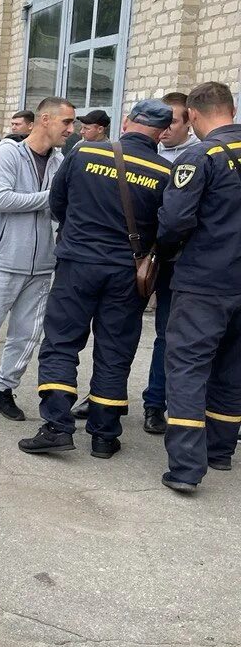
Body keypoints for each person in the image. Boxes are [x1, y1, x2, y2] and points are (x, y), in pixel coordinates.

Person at [20, 100, 172, 458]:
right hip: (126, 272)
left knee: (61, 342)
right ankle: (104, 435)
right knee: (115, 350)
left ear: (126, 122)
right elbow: (168, 226)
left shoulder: (84, 154)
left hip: (77, 263)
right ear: (163, 133)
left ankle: (57, 426)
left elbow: (58, 204)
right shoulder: (166, 172)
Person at [0, 97, 75, 425]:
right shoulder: (7, 152)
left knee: (26, 335)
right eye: (67, 122)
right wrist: (54, 196)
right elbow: (2, 198)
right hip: (2, 261)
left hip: (42, 265)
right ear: (46, 120)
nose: (71, 129)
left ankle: (4, 390)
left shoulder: (61, 161)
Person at [156, 82, 241, 493]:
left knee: (188, 368)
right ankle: (220, 451)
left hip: (206, 282)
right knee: (232, 366)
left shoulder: (199, 156)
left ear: (191, 115)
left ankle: (187, 468)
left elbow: (173, 222)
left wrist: (166, 254)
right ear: (233, 108)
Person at [137, 92, 197, 436]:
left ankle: (155, 403)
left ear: (189, 121)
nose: (164, 129)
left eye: (172, 121)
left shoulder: (196, 158)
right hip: (137, 257)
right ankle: (104, 393)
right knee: (120, 330)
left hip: (173, 261)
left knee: (166, 334)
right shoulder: (143, 150)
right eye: (160, 122)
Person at [157, 91, 200, 163]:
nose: (164, 127)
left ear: (189, 120)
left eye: (172, 122)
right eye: (160, 120)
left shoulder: (201, 153)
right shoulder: (146, 148)